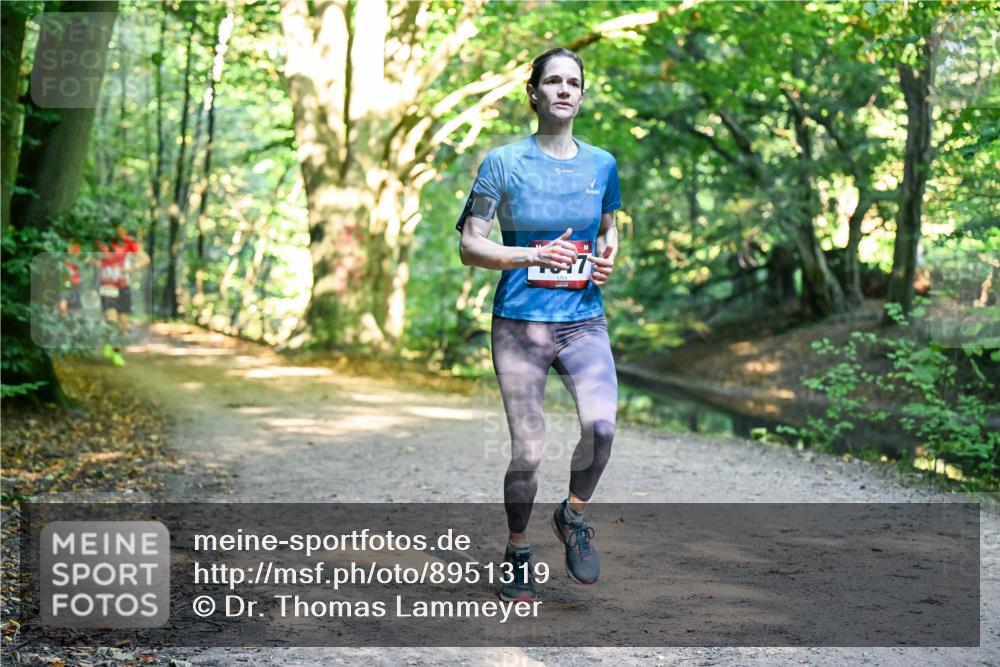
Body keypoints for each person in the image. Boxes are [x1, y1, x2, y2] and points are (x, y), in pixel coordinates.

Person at [456, 48, 621, 602]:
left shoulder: (602, 163)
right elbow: (470, 245)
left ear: (582, 93)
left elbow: (607, 227)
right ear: (534, 93)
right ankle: (519, 549)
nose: (564, 90)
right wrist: (530, 257)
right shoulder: (504, 162)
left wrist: (607, 254)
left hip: (584, 321)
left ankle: (572, 515)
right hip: (520, 324)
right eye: (553, 81)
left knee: (602, 427)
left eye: (573, 82)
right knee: (528, 448)